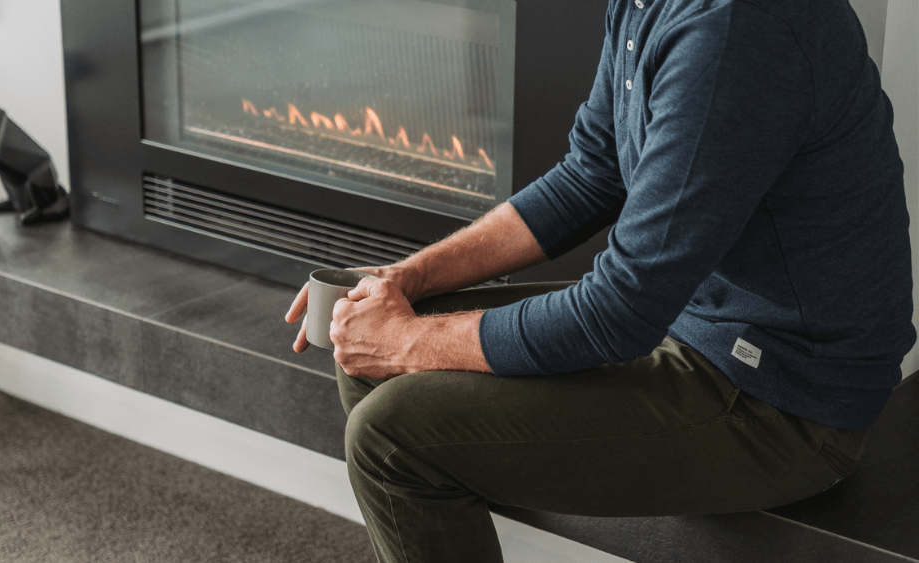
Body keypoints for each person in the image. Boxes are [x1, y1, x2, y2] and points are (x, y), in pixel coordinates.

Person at [284, 0, 916, 561]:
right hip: (689, 320)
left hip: (781, 402)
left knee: (391, 438)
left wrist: (407, 342)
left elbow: (618, 313)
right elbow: (590, 173)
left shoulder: (733, 32)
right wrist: (402, 279)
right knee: (367, 345)